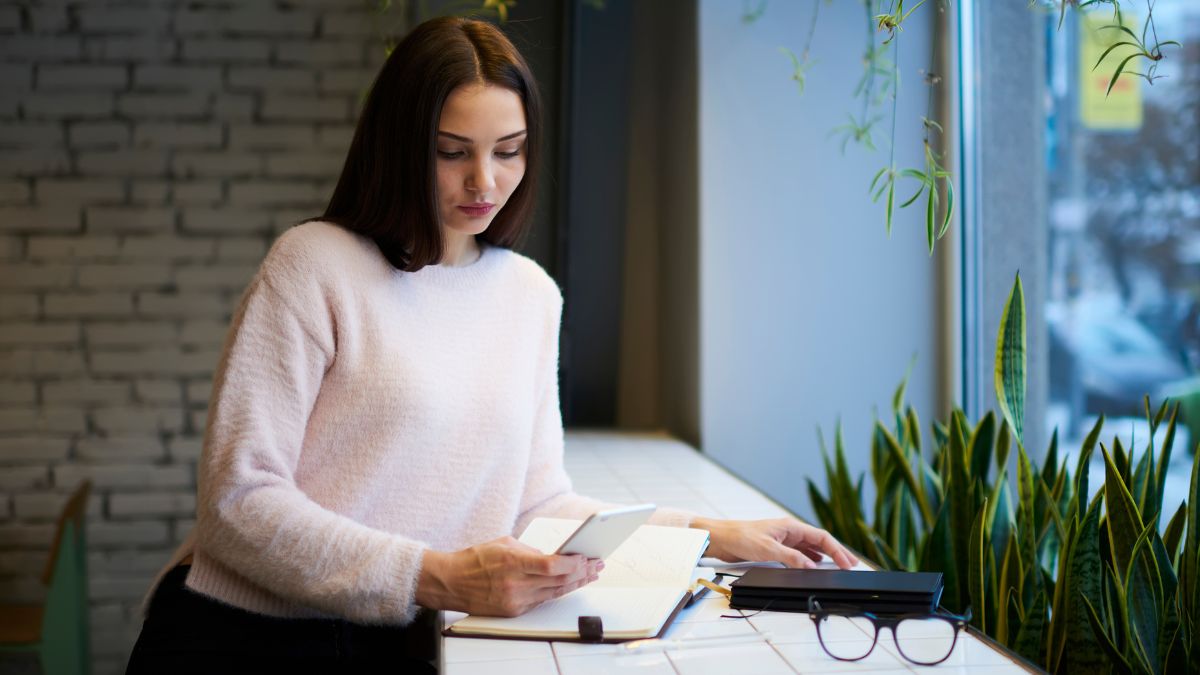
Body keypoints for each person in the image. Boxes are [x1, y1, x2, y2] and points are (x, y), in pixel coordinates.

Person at [125, 15, 858, 674]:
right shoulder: (314, 266)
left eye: (509, 151)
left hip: (411, 639)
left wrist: (718, 534)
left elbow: (540, 502)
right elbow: (239, 501)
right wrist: (437, 575)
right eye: (452, 152)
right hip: (249, 638)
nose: (486, 181)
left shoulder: (529, 296)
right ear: (400, 145)